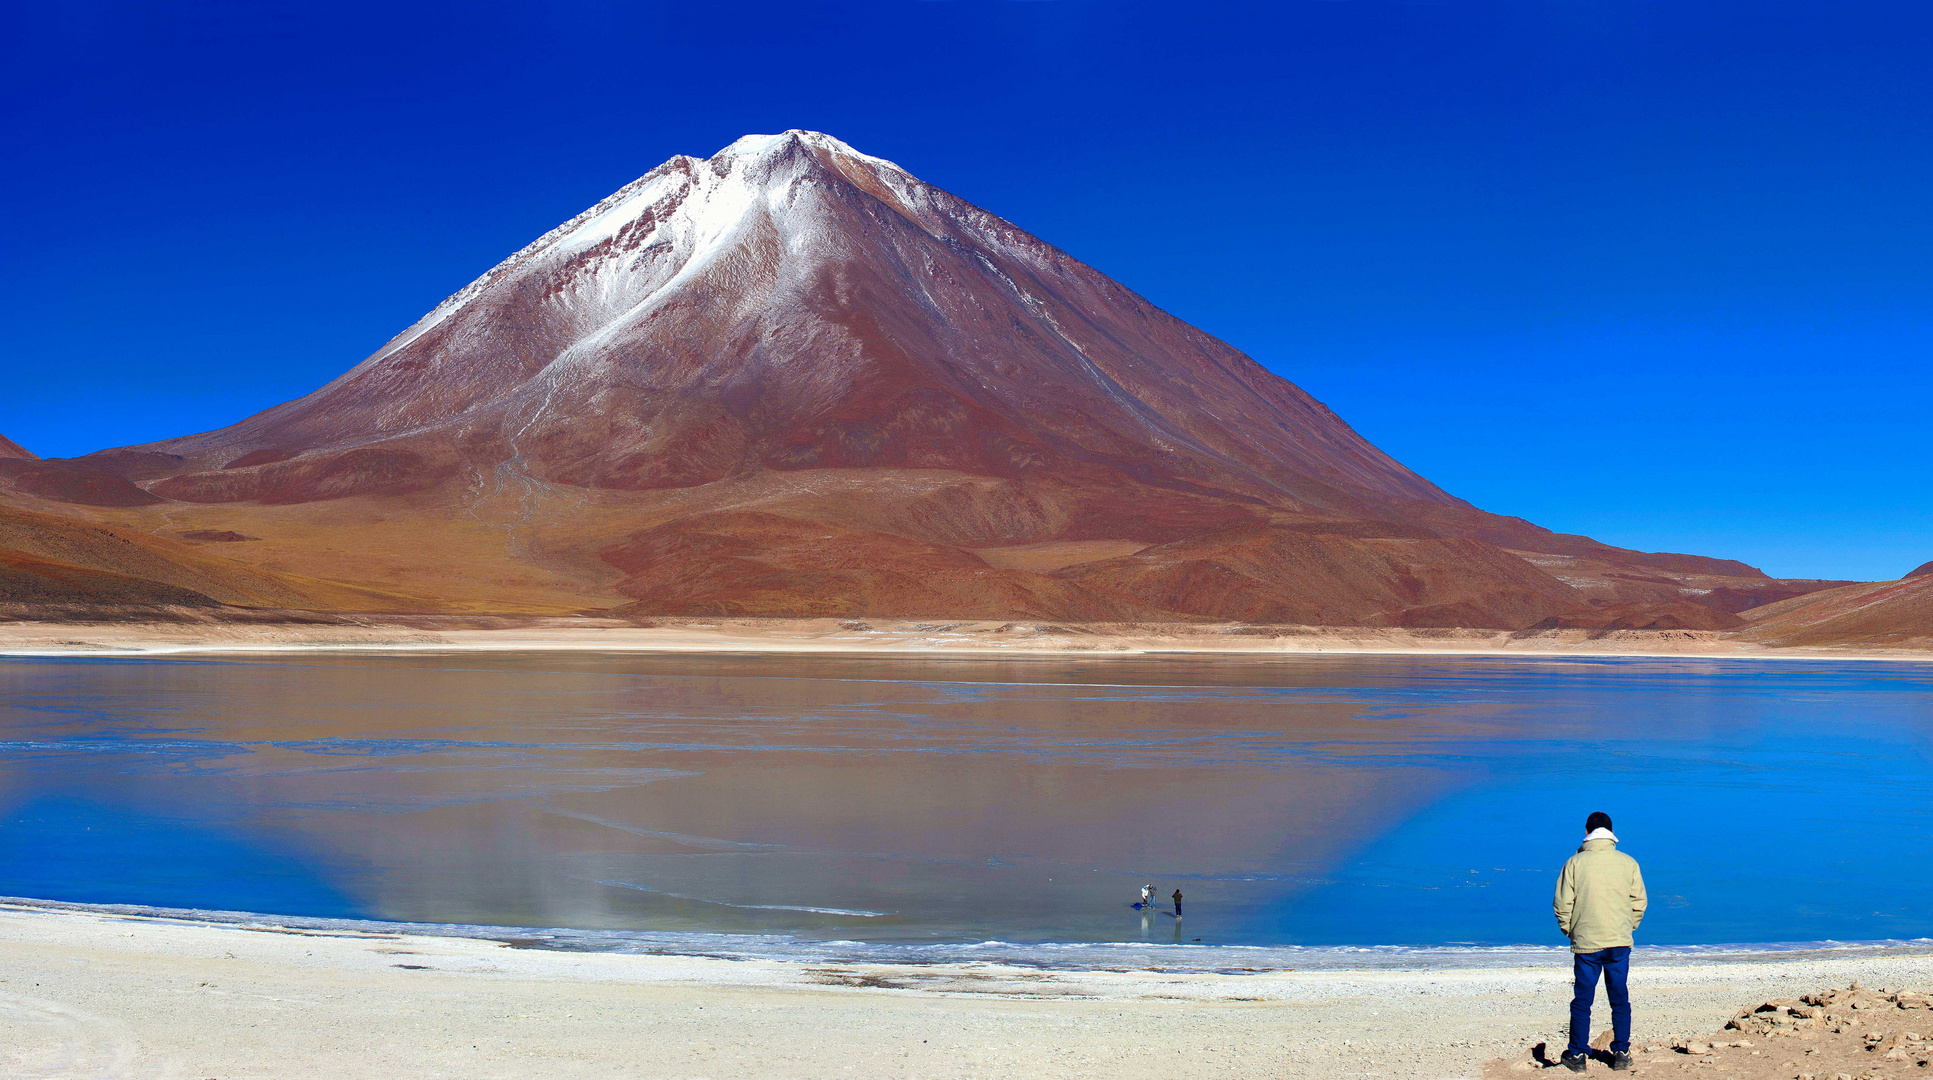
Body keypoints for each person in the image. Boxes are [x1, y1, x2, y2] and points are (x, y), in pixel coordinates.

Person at [1554, 811, 1647, 1073]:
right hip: (1618, 941)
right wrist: (1627, 927)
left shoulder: (1574, 863)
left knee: (1583, 1000)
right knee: (1619, 998)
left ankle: (1577, 1055)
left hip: (1586, 943)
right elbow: (1638, 903)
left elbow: (1562, 905)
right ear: (1611, 833)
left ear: (1587, 834)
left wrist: (1571, 931)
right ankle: (1621, 1052)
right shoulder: (1628, 862)